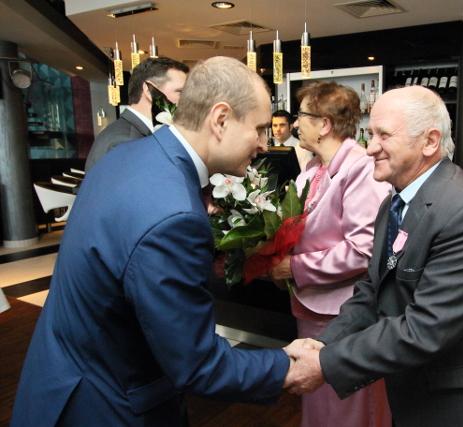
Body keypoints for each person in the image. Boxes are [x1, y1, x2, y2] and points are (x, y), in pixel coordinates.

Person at [11, 57, 301, 427]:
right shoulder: (175, 213)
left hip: (62, 375)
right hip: (108, 403)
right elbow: (197, 364)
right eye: (258, 129)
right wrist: (288, 366)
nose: (263, 144)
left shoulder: (128, 154)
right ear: (220, 119)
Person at [285, 86, 463, 427]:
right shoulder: (393, 204)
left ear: (430, 141)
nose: (370, 148)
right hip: (417, 392)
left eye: (383, 135)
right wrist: (323, 344)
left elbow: (426, 328)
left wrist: (325, 364)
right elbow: (372, 292)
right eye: (370, 135)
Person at [270, 81, 392, 427]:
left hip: (344, 312)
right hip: (313, 305)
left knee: (347, 406)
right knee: (319, 400)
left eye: (301, 116)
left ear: (324, 124)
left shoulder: (360, 168)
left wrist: (294, 267)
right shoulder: (313, 168)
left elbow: (362, 249)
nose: (295, 123)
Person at [84, 56, 189, 171]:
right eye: (180, 92)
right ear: (149, 91)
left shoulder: (131, 133)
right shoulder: (125, 141)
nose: (187, 100)